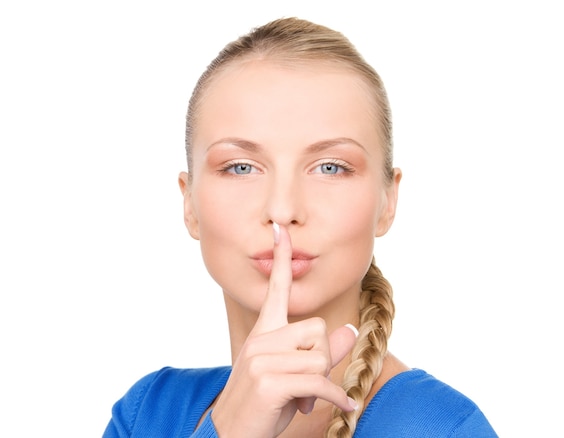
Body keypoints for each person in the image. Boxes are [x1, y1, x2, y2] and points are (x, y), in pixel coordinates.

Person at [103, 17, 498, 437]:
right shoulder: (146, 414)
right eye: (240, 167)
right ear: (190, 203)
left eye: (330, 167)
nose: (283, 208)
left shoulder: (444, 428)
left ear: (388, 202)